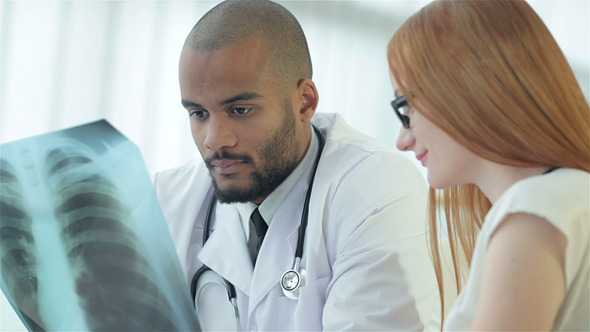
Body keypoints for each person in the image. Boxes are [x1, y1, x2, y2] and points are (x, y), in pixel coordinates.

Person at [153, 0, 437, 330]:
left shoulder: (377, 190)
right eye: (199, 114)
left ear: (305, 102)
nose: (214, 140)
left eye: (240, 110)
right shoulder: (165, 202)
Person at [387, 0, 589, 331]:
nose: (402, 140)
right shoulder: (565, 198)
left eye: (406, 108)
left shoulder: (531, 213)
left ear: (467, 88)